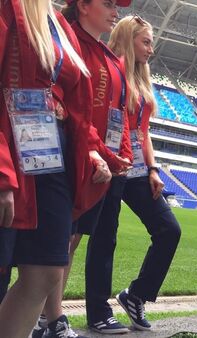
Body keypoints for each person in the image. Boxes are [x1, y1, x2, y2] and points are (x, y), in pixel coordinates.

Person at [0, 0, 113, 336]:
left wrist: (91, 150)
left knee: (46, 271)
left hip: (51, 154)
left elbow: (74, 102)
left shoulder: (59, 26)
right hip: (12, 147)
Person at [27, 0, 134, 337]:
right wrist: (98, 151)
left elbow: (119, 114)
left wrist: (120, 155)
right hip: (74, 158)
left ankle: (49, 316)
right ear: (83, 6)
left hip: (98, 163)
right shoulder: (68, 41)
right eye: (108, 4)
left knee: (68, 244)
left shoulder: (106, 56)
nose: (115, 10)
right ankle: (52, 317)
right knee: (60, 246)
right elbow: (77, 111)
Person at [102, 14, 181, 332]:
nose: (151, 49)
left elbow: (143, 132)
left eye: (152, 42)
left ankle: (135, 295)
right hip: (113, 165)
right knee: (100, 238)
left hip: (137, 171)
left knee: (169, 230)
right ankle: (57, 309)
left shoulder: (143, 81)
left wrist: (152, 168)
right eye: (146, 41)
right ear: (129, 40)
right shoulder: (114, 71)